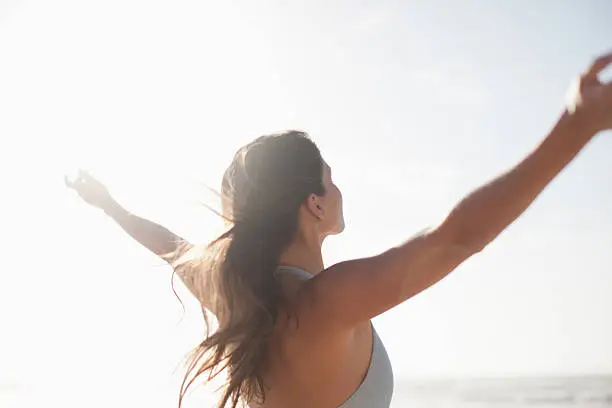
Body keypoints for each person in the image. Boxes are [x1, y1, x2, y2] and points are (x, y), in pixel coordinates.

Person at [66, 53, 612, 408]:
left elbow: (166, 245)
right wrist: (574, 127)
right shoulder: (323, 303)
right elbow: (457, 237)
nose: (339, 189)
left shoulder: (234, 293)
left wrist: (109, 206)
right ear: (314, 205)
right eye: (332, 180)